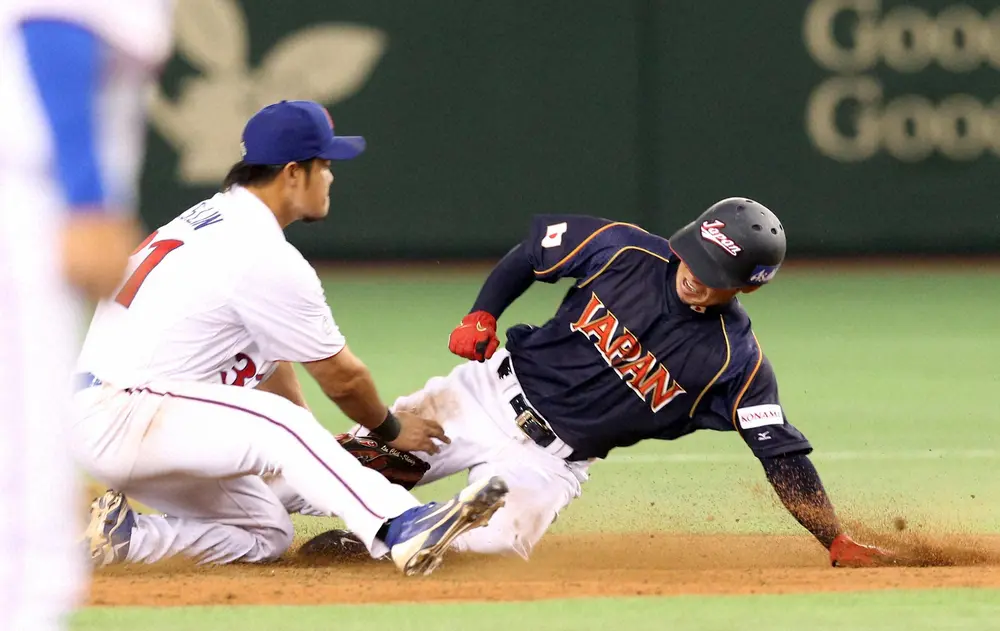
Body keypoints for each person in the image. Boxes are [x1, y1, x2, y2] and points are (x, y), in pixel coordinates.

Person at [73, 99, 509, 577]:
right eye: (325, 164)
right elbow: (341, 378)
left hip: (128, 419)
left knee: (265, 532)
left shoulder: (214, 220)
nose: (331, 177)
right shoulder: (260, 251)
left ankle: (129, 538)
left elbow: (270, 354)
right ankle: (402, 525)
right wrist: (388, 427)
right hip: (129, 411)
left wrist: (313, 449)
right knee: (281, 424)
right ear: (293, 173)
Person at [327, 198, 890, 566]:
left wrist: (833, 537)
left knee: (493, 548)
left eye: (715, 272)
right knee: (324, 472)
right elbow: (532, 254)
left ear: (748, 286)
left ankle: (377, 540)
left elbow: (780, 454)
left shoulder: (734, 361)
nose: (696, 275)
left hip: (548, 464)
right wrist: (482, 313)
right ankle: (315, 511)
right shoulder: (623, 248)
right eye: (696, 256)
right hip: (481, 398)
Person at [0, 2, 174, 628]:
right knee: (28, 461)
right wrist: (88, 202)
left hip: (32, 195)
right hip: (28, 200)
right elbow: (54, 29)